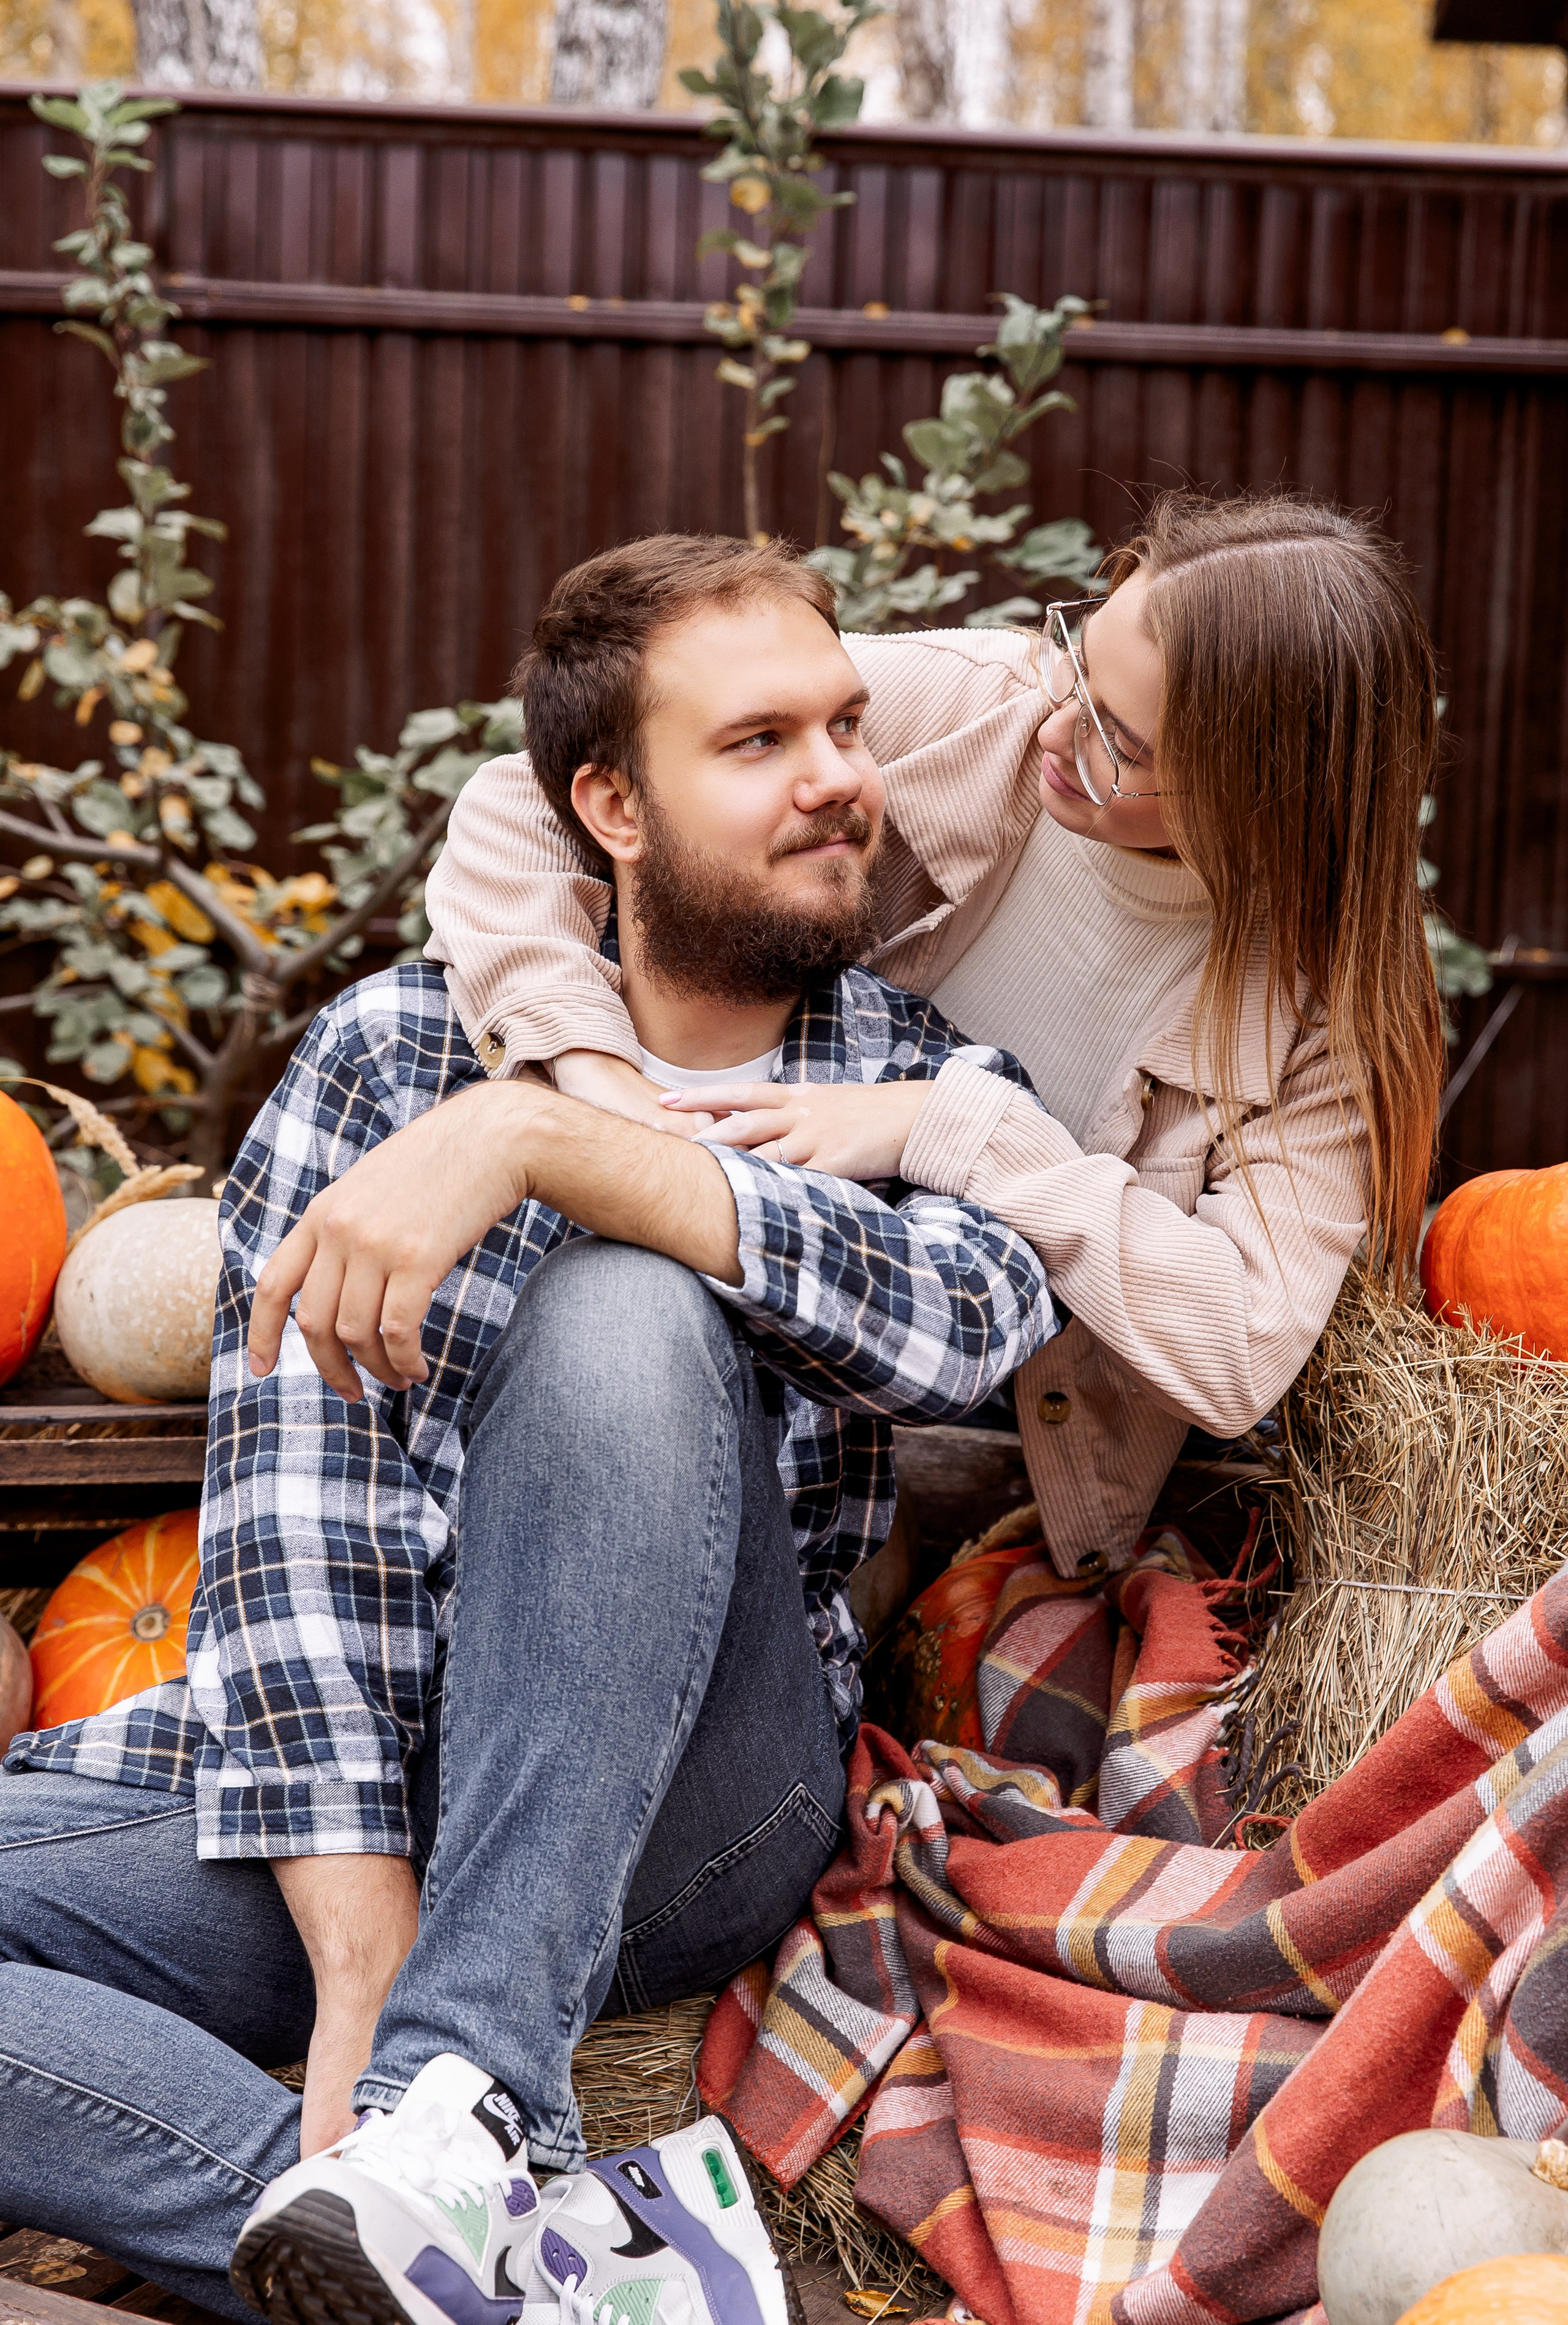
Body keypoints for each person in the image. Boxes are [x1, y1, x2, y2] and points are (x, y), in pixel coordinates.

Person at [0, 536, 1051, 2325]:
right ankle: (486, 2266)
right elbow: (295, 1515)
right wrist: (360, 1953)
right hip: (373, 1775)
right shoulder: (390, 1059)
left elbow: (968, 1326)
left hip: (693, 1804)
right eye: (760, 742)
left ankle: (461, 2089)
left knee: (623, 1298)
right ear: (607, 805)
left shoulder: (922, 1083)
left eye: (849, 727)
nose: (837, 781)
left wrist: (574, 1153)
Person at [418, 491, 1446, 1575]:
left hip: (992, 1443)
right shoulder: (981, 709)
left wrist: (957, 1128)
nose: (1057, 730)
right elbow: (528, 799)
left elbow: (1238, 1349)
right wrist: (594, 1086)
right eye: (1078, 665)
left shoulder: (1325, 1012)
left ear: (1263, 796)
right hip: (744, 1341)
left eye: (1119, 741)